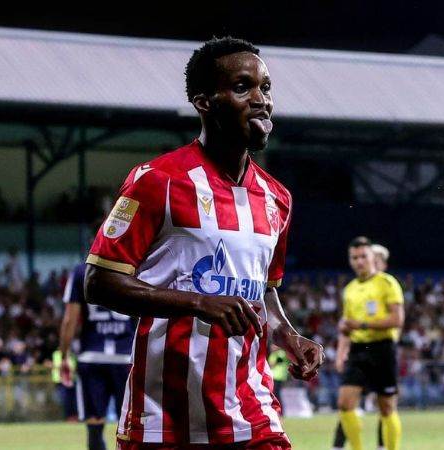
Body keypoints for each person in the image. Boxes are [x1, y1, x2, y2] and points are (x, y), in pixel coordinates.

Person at [84, 36, 324, 450]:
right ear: (204, 102)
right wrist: (198, 302)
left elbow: (264, 291)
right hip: (165, 417)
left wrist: (287, 334)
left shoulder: (277, 198)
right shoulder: (157, 181)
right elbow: (99, 282)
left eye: (265, 88)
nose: (261, 100)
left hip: (250, 412)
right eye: (242, 87)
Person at [335, 237, 404, 450]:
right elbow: (347, 325)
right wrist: (341, 352)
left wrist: (362, 325)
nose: (359, 261)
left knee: (386, 407)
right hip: (358, 350)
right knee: (345, 404)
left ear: (372, 257)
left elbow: (397, 319)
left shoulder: (387, 283)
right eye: (354, 258)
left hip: (382, 348)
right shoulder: (349, 289)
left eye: (363, 256)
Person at [60, 262, 136, 450]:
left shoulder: (81, 271)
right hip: (125, 357)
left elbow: (70, 319)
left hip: (92, 355)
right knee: (130, 424)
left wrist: (64, 356)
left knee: (94, 422)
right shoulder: (133, 266)